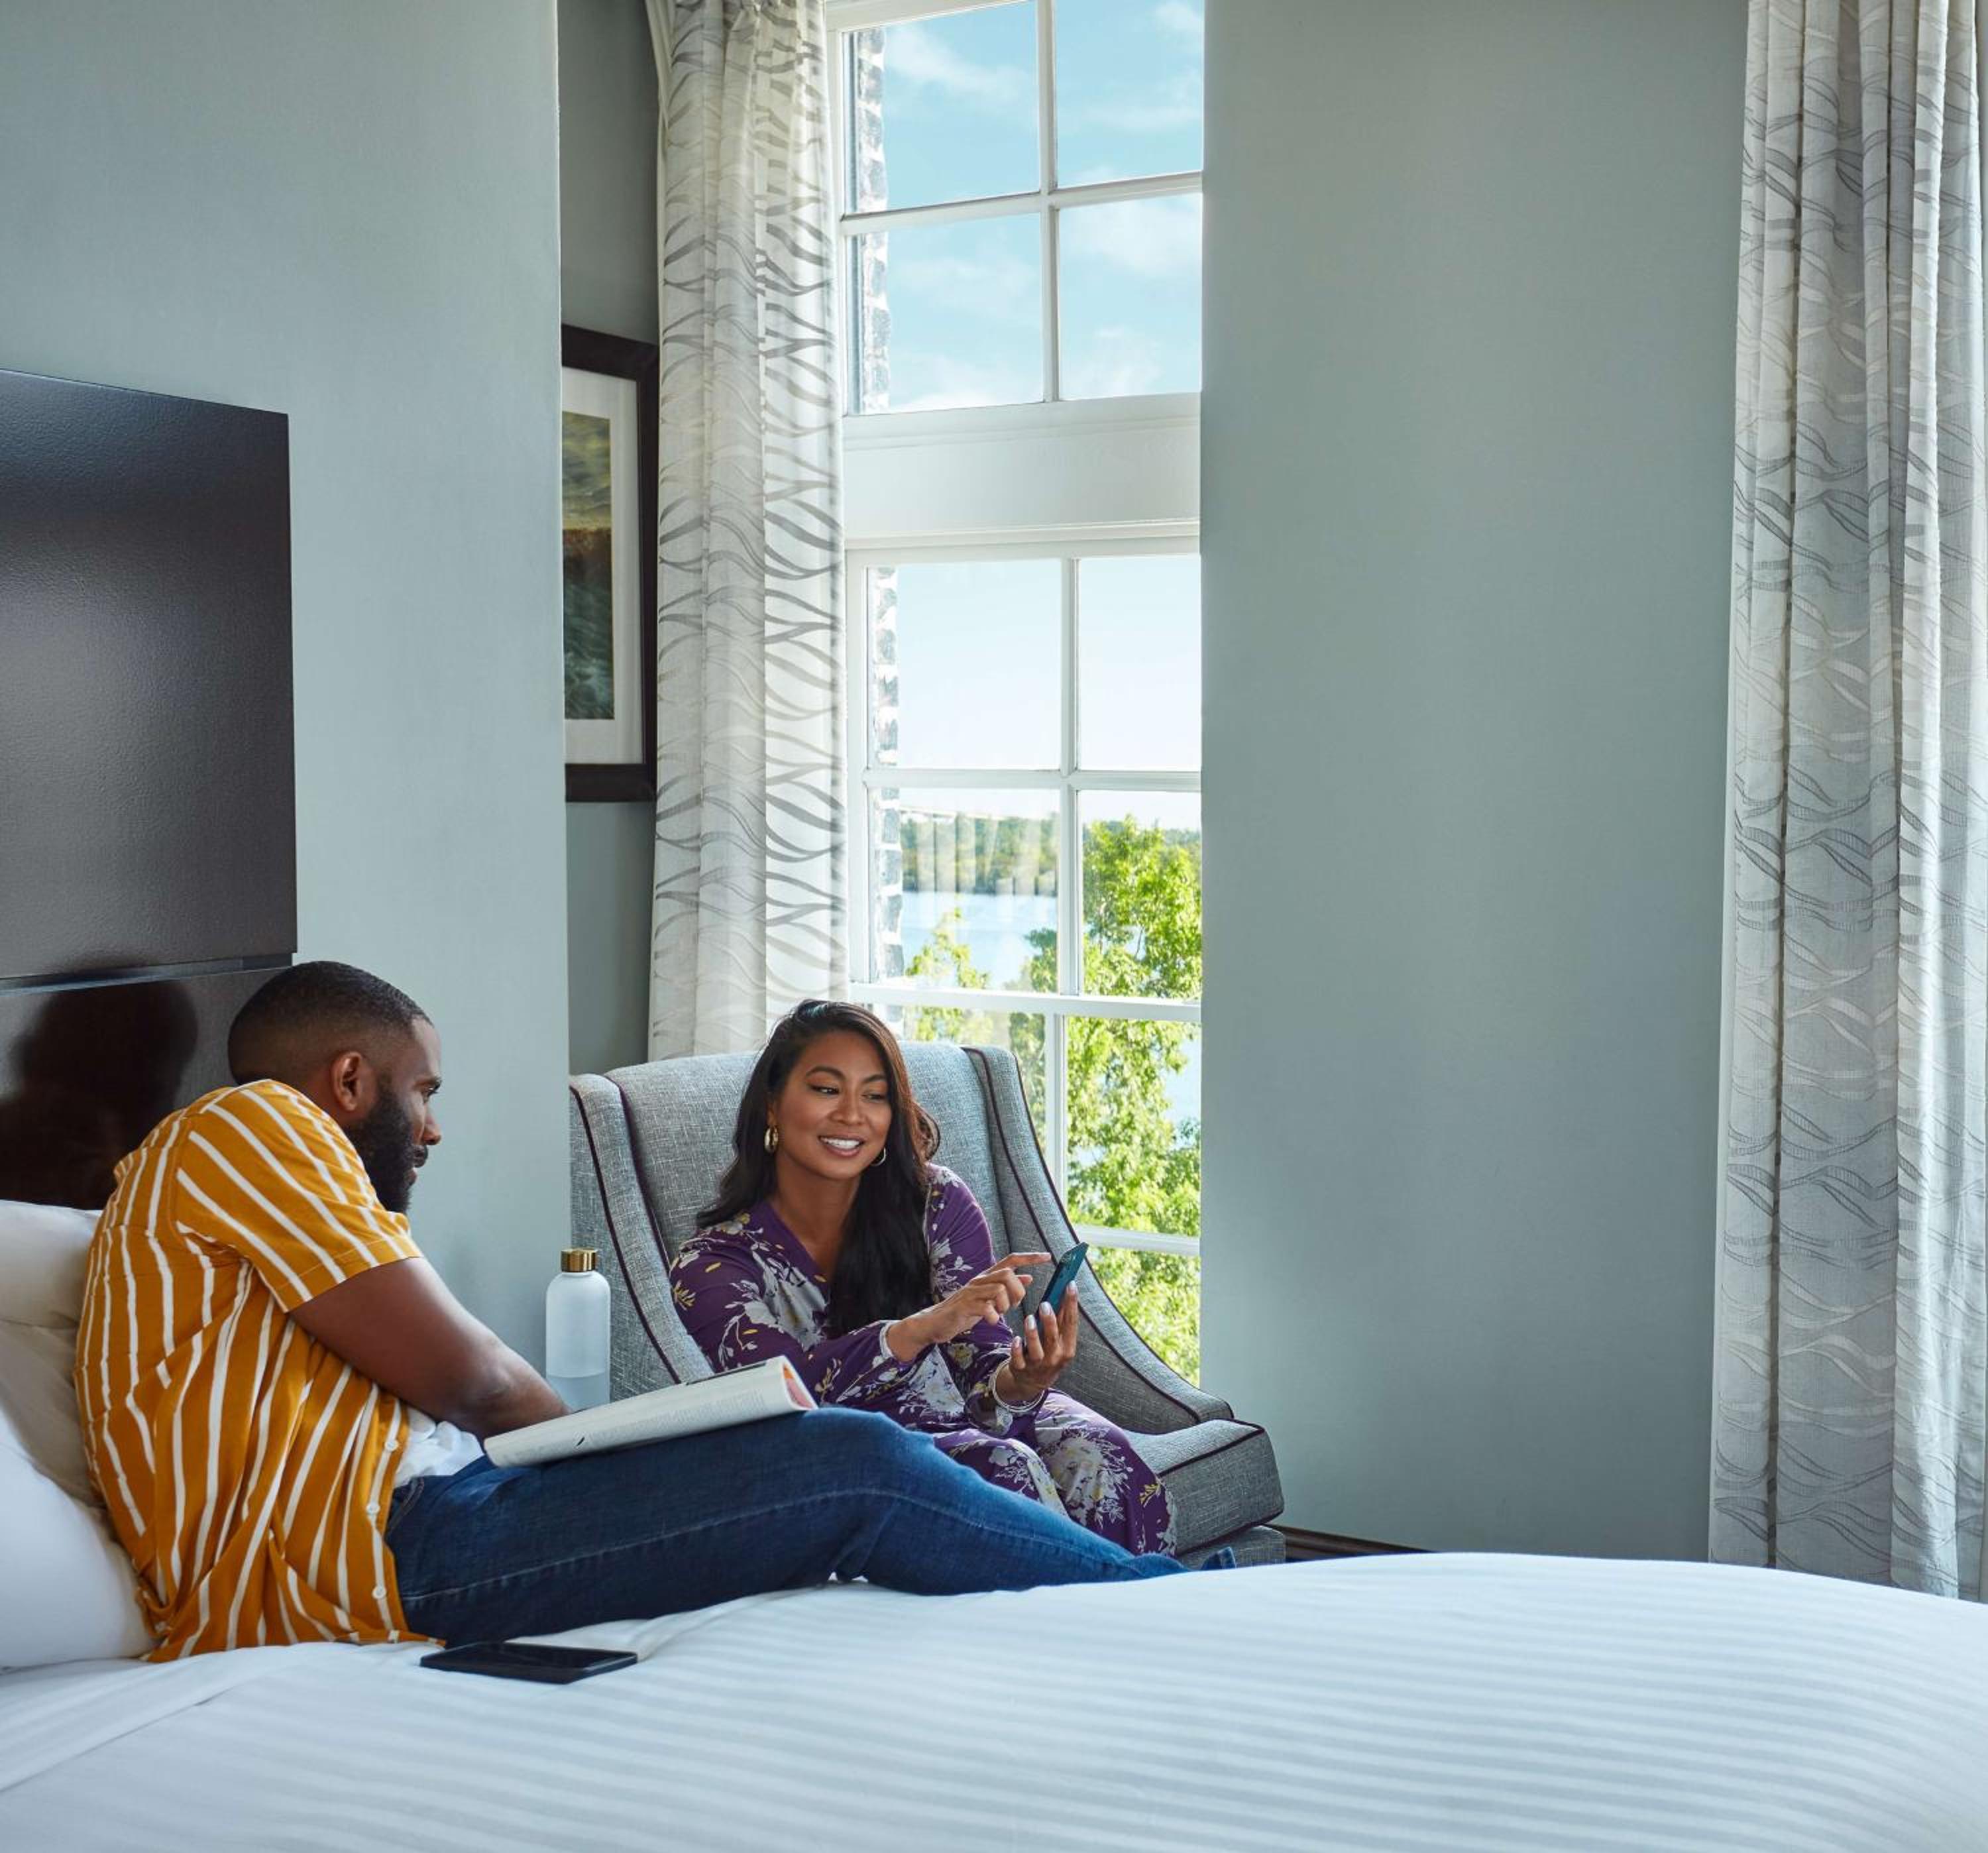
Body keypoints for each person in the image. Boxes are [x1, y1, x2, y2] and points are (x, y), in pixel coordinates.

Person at [74, 962, 1198, 1661]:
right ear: (350, 1080)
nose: (433, 1127)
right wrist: (605, 1449)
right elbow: (471, 1378)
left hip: (434, 1514)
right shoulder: (248, 1129)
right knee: (850, 1465)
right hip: (392, 1549)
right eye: (423, 1092)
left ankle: (1156, 1611)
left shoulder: (213, 1187)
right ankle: (1169, 1615)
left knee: (830, 1470)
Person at [670, 1000, 1178, 1557]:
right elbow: (782, 1398)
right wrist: (917, 1330)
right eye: (826, 1089)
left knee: (1100, 1453)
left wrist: (1021, 1380)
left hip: (962, 1419)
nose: (852, 1115)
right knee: (1003, 1470)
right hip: (841, 1465)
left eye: (876, 1096)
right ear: (772, 1104)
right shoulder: (712, 1265)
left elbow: (983, 1375)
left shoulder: (936, 1202)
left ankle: (1143, 1604)